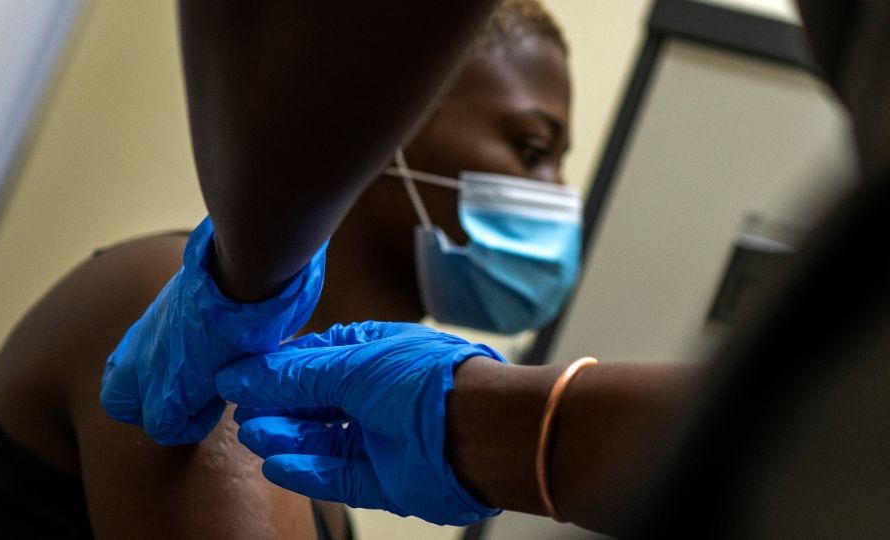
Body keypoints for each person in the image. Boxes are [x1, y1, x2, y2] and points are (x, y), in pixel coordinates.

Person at [214, 0, 890, 535]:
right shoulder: (213, 368)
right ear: (380, 122)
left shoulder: (299, 430)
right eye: (533, 148)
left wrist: (500, 425)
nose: (559, 196)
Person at [0, 0, 582, 537]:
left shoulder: (315, 454)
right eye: (530, 148)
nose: (559, 195)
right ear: (391, 118)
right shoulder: (170, 323)